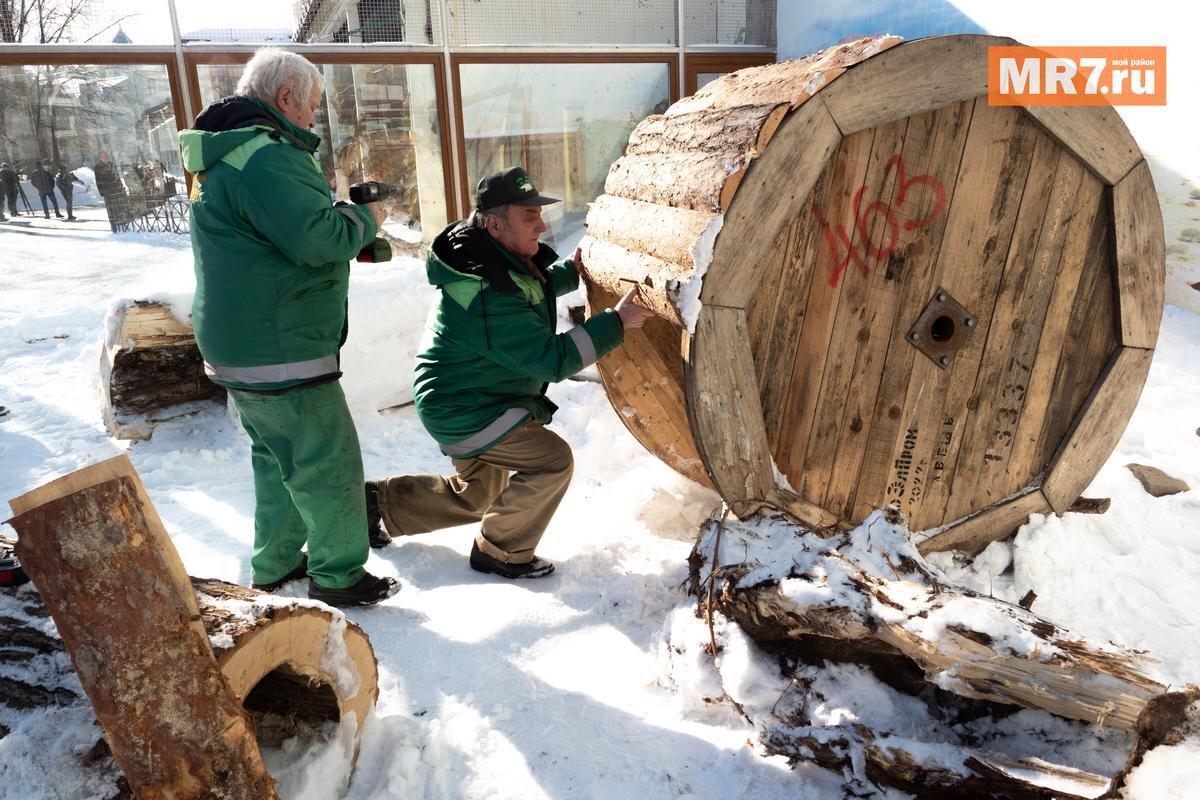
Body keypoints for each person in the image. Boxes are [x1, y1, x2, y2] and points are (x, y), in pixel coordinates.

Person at [178, 47, 398, 607]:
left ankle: (275, 563)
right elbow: (317, 240)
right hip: (281, 346)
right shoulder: (267, 157)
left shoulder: (223, 156)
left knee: (277, 458)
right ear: (284, 99)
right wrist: (361, 217)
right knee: (327, 461)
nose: (312, 118)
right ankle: (339, 575)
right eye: (311, 107)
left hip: (241, 345)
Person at [367, 166, 655, 578]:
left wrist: (573, 270)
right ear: (493, 224)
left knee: (480, 495)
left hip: (469, 397)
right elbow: (550, 359)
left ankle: (379, 505)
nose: (541, 225)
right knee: (552, 461)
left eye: (539, 213)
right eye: (528, 217)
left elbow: (528, 288)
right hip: (465, 408)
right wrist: (616, 321)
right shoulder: (487, 292)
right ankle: (501, 551)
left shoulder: (491, 258)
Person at [93, 150, 127, 232]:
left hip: (116, 189)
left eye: (106, 155)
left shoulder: (111, 164)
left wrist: (121, 187)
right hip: (108, 191)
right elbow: (98, 181)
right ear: (100, 158)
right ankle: (114, 227)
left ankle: (122, 224)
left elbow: (117, 176)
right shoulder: (98, 167)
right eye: (103, 156)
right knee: (111, 211)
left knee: (119, 207)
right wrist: (103, 192)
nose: (105, 157)